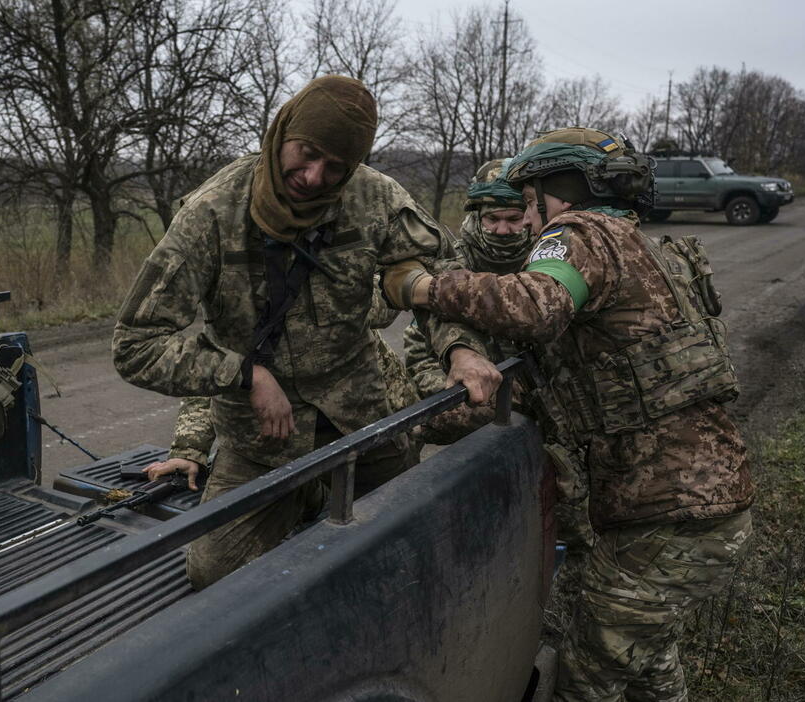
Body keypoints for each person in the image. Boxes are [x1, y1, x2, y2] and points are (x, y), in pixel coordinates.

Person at [385, 126, 755, 701]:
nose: (527, 222)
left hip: (671, 511)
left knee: (585, 675)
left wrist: (422, 288)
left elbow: (535, 306)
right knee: (648, 660)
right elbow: (540, 393)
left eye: (529, 204)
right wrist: (423, 420)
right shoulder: (634, 246)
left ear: (561, 190)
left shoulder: (580, 231)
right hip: (689, 504)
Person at [112, 75, 497, 589]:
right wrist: (245, 374)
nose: (315, 177)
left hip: (361, 418)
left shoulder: (376, 197)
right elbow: (136, 345)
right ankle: (309, 491)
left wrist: (460, 349)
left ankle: (319, 488)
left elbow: (436, 277)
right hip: (259, 438)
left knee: (405, 544)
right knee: (212, 574)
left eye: (335, 167)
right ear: (283, 132)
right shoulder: (212, 213)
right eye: (307, 154)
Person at [403, 159, 594, 550]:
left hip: (540, 402)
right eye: (493, 219)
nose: (503, 230)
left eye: (513, 218)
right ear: (477, 216)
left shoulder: (549, 257)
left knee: (568, 509)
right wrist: (454, 389)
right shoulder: (454, 262)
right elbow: (420, 346)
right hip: (472, 397)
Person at [144, 282, 421, 490]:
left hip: (375, 424)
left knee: (392, 510)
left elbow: (386, 298)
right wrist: (189, 450)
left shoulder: (334, 252)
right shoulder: (240, 285)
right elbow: (217, 370)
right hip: (292, 445)